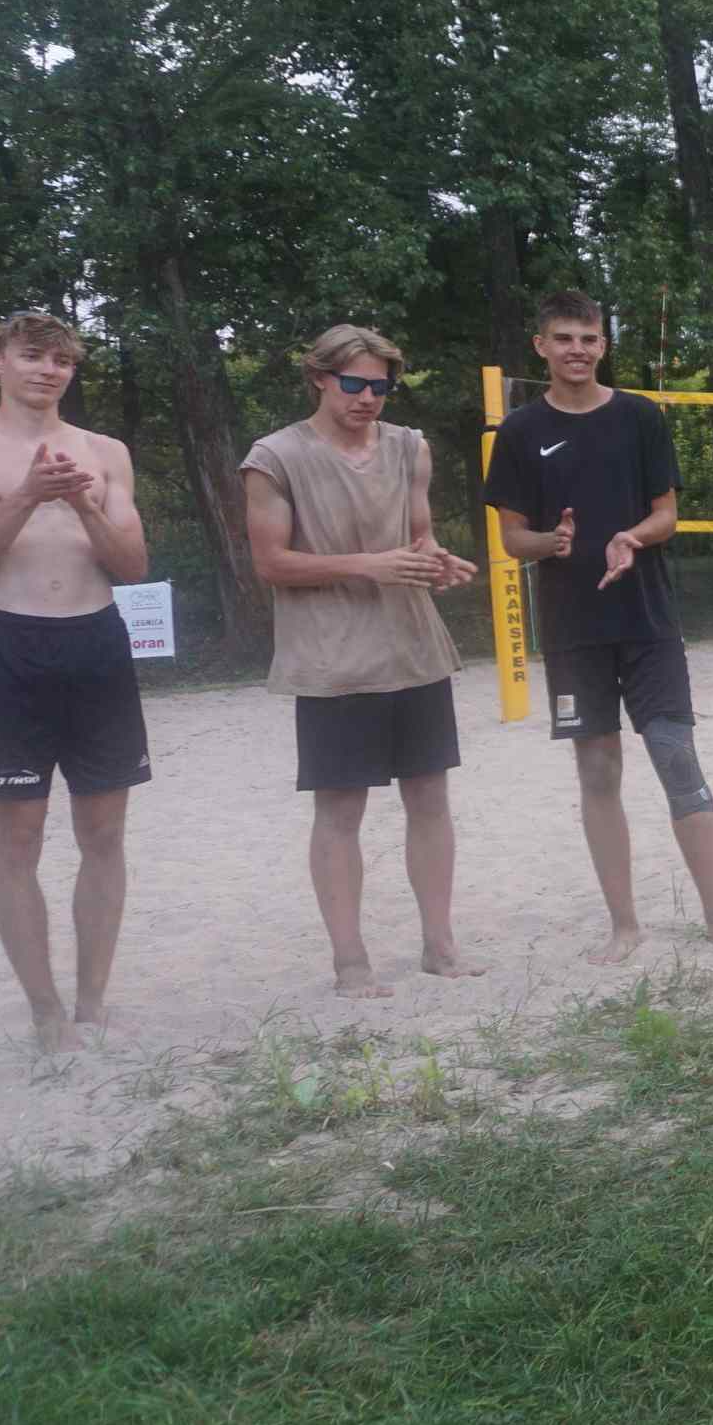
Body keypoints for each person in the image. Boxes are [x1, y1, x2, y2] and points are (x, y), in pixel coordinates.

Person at [484, 291, 713, 965]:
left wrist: (631, 536)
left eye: (589, 338)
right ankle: (623, 925)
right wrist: (553, 543)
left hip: (648, 620)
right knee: (598, 771)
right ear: (540, 346)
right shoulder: (519, 432)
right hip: (573, 629)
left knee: (676, 758)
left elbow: (667, 515)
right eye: (564, 338)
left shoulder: (639, 417)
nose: (578, 349)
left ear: (603, 345)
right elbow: (512, 539)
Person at [243, 325, 483, 999]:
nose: (369, 398)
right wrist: (371, 566)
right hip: (331, 660)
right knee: (340, 811)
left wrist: (434, 561)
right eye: (355, 384)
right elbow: (271, 564)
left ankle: (440, 946)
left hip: (413, 648)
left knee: (430, 799)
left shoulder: (411, 448)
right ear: (319, 377)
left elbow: (418, 535)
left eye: (381, 385)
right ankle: (350, 963)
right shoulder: (274, 457)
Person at [0, 309, 149, 1053]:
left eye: (61, 360)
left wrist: (83, 500)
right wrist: (25, 495)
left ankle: (92, 1001)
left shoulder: (104, 452)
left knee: (104, 830)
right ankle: (45, 1010)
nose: (47, 370)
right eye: (31, 355)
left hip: (95, 642)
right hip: (8, 642)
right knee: (16, 837)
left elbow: (131, 567)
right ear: (0, 361)